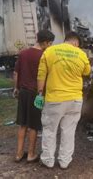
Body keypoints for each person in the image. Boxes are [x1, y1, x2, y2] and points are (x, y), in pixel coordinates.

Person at [37, 31, 91, 169]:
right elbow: (87, 72)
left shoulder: (50, 51)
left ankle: (48, 161)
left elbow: (41, 75)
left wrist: (40, 93)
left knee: (50, 130)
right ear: (75, 43)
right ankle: (64, 161)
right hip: (75, 100)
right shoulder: (81, 54)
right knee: (68, 131)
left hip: (55, 100)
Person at [13, 30, 55, 162]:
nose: (50, 46)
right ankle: (31, 154)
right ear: (45, 42)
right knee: (34, 125)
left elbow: (16, 73)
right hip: (37, 94)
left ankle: (19, 154)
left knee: (22, 124)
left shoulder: (23, 53)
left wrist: (16, 88)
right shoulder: (44, 55)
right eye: (50, 43)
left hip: (23, 92)